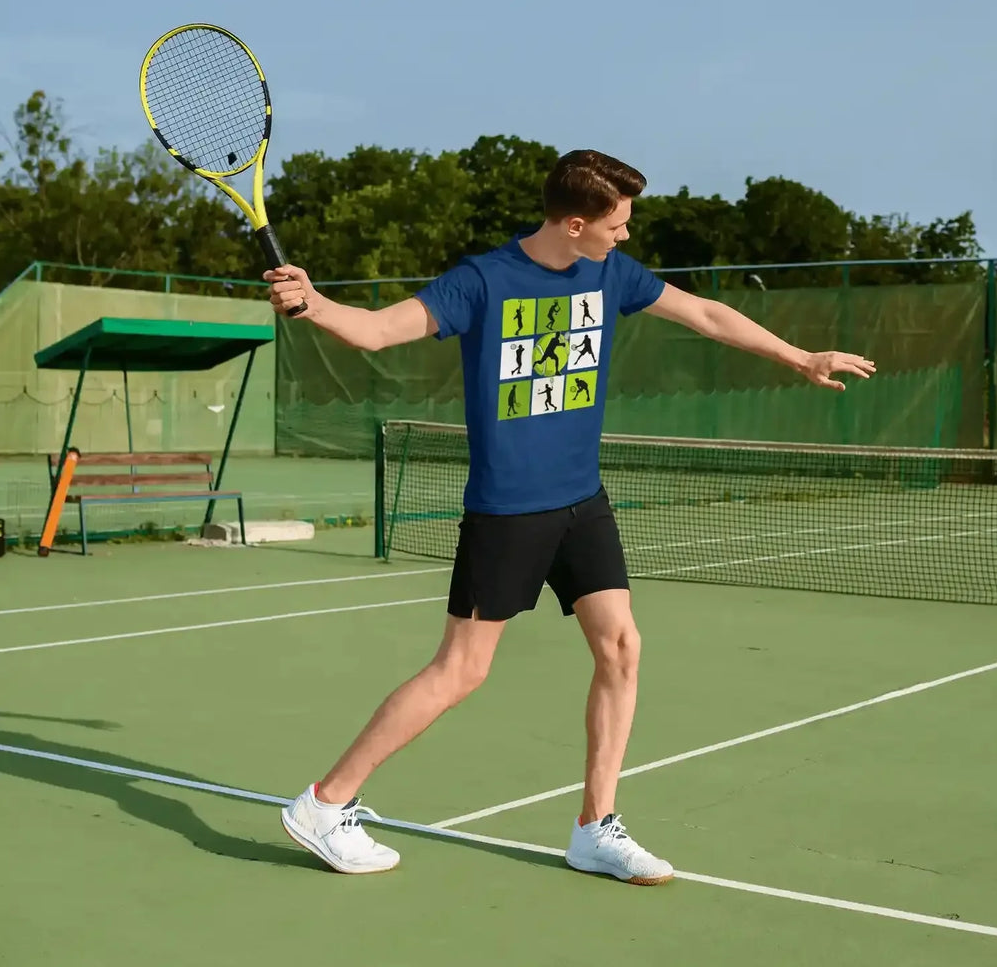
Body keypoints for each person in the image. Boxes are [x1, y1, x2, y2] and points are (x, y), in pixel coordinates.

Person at [264, 149, 875, 884]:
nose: (625, 236)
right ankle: (325, 804)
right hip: (508, 509)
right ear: (576, 223)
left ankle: (595, 827)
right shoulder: (483, 280)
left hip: (582, 500)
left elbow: (706, 314)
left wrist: (798, 355)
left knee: (621, 648)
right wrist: (316, 303)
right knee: (461, 670)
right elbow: (378, 330)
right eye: (616, 224)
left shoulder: (612, 273)